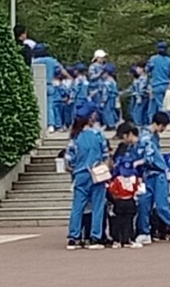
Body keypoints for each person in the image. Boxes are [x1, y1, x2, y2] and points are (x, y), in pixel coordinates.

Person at [133, 112, 170, 245]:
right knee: (145, 203)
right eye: (163, 126)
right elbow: (149, 155)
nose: (163, 129)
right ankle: (144, 232)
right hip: (152, 173)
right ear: (157, 124)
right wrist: (139, 162)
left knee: (160, 205)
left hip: (156, 173)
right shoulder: (147, 136)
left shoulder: (153, 135)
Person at [65, 102, 108, 250]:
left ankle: (74, 237)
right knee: (98, 206)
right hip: (97, 173)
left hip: (80, 174)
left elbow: (68, 161)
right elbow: (105, 155)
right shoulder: (98, 135)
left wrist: (75, 170)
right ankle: (95, 237)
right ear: (91, 117)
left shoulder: (75, 137)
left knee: (78, 206)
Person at [108, 156, 142, 249]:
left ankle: (117, 240)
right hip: (130, 201)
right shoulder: (134, 178)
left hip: (119, 201)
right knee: (128, 221)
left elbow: (112, 190)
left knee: (118, 221)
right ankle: (127, 240)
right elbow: (137, 190)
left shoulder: (117, 179)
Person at [34, 43, 68, 133]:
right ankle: (51, 125)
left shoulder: (34, 61)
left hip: (38, 86)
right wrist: (70, 78)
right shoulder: (52, 61)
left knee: (39, 105)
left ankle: (40, 124)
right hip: (50, 85)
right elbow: (61, 70)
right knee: (50, 106)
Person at [146, 41, 170, 119]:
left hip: (156, 85)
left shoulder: (153, 59)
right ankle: (168, 119)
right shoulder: (169, 60)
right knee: (167, 105)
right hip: (167, 85)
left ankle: (161, 120)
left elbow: (147, 70)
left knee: (159, 105)